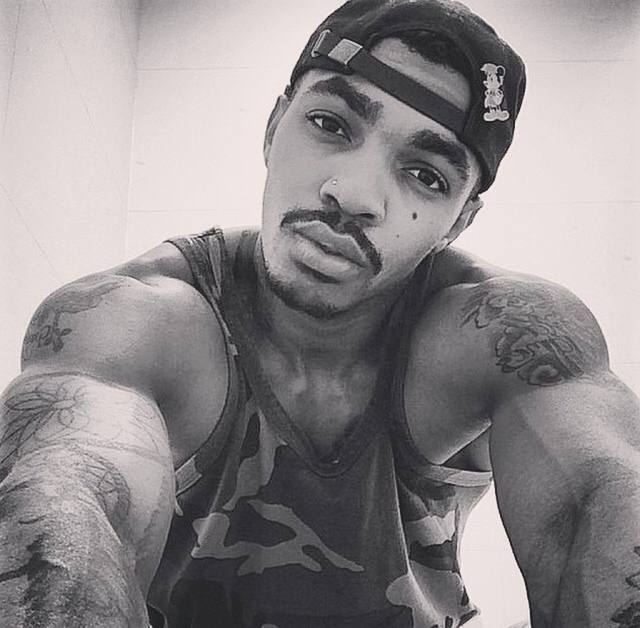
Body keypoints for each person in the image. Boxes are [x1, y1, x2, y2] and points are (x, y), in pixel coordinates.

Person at [1, 0, 639, 626]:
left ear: (459, 222)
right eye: (331, 125)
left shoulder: (501, 334)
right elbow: (62, 508)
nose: (353, 195)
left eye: (426, 175)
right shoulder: (133, 319)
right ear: (274, 125)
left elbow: (603, 498)